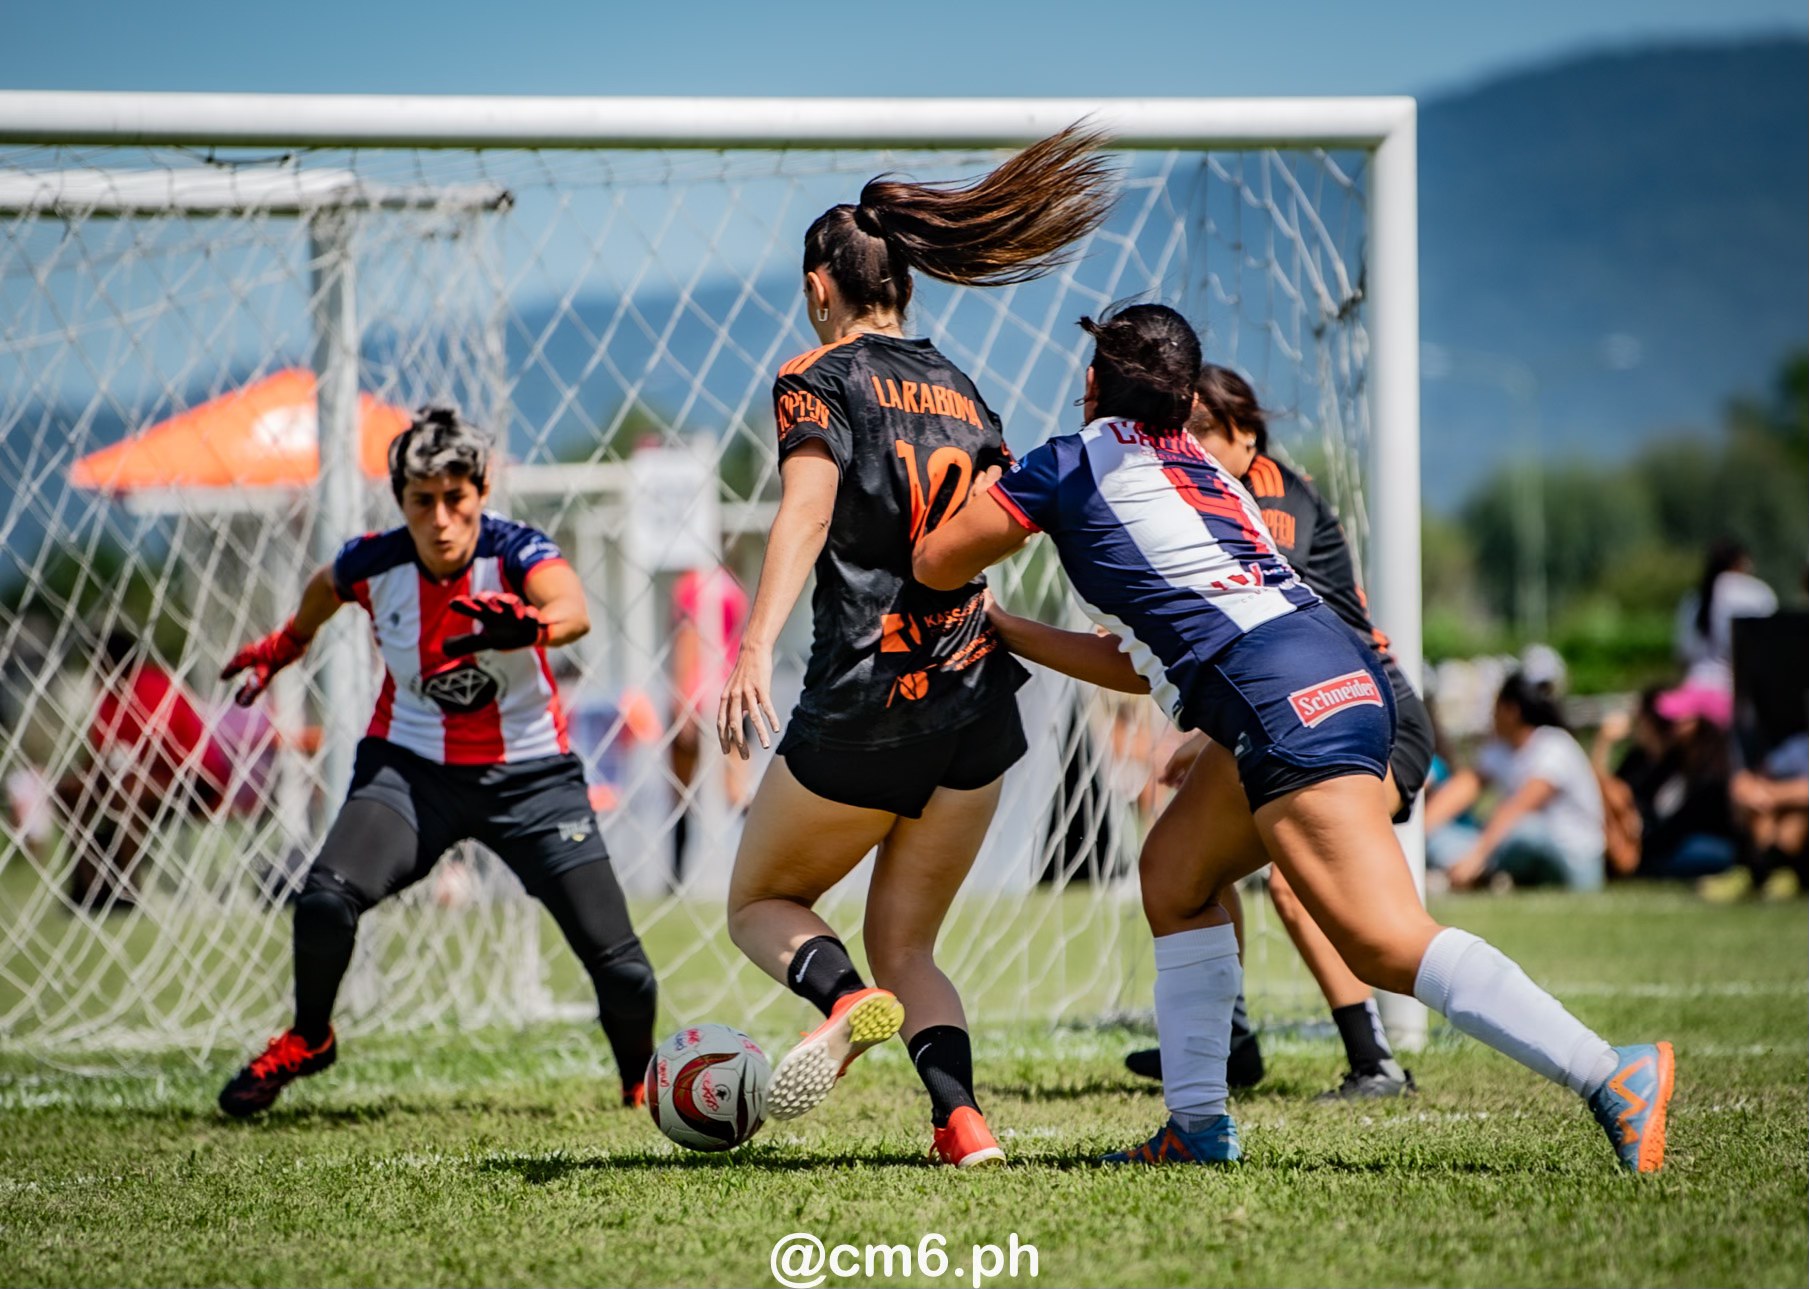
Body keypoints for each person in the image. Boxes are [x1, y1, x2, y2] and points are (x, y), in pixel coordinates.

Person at [914, 302, 1674, 1172]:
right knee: (1174, 873)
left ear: (1091, 384)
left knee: (1382, 937)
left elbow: (938, 560)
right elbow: (1143, 662)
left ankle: (1609, 1071)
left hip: (1284, 699)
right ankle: (1196, 1127)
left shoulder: (1068, 463)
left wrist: (972, 489)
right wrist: (1006, 627)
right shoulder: (1204, 469)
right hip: (1332, 670)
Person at [715, 125, 1116, 1168]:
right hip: (978, 704)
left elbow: (805, 510)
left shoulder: (816, 377)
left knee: (758, 902)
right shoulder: (965, 391)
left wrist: (753, 643)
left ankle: (845, 1004)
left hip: (870, 699)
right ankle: (962, 1122)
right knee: (914, 943)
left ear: (820, 288)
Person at [216, 407, 657, 1116]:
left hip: (532, 779)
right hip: (412, 771)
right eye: (424, 502)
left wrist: (536, 625)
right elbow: (327, 584)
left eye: (457, 499)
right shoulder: (375, 560)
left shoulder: (517, 550)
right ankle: (309, 1035)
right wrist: (288, 642)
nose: (442, 518)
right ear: (402, 504)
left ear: (480, 494)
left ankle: (641, 1083)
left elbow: (573, 608)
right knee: (324, 899)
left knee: (627, 973)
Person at [1123, 363, 1434, 1100]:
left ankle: (1375, 1060)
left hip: (1365, 709)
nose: (1188, 441)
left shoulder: (1266, 499)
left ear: (1245, 433)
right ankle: (1226, 1043)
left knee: (1300, 879)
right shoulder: (1222, 493)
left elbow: (1269, 632)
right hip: (1313, 706)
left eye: (1203, 429)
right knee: (1196, 864)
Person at [1425, 673, 1606, 891]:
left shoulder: (1554, 746)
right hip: (1515, 844)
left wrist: (1476, 856)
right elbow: (1465, 786)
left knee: (1522, 829)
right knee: (1441, 837)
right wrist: (1420, 831)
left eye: (1495, 708)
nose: (1490, 716)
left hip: (1575, 859)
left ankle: (1480, 874)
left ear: (1511, 711)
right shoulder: (1500, 749)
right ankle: (1487, 877)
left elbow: (1518, 808)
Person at [1675, 539, 1777, 692]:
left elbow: (1683, 654)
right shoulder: (1756, 592)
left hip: (1697, 684)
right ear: (1741, 562)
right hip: (1737, 687)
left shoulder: (1693, 598)